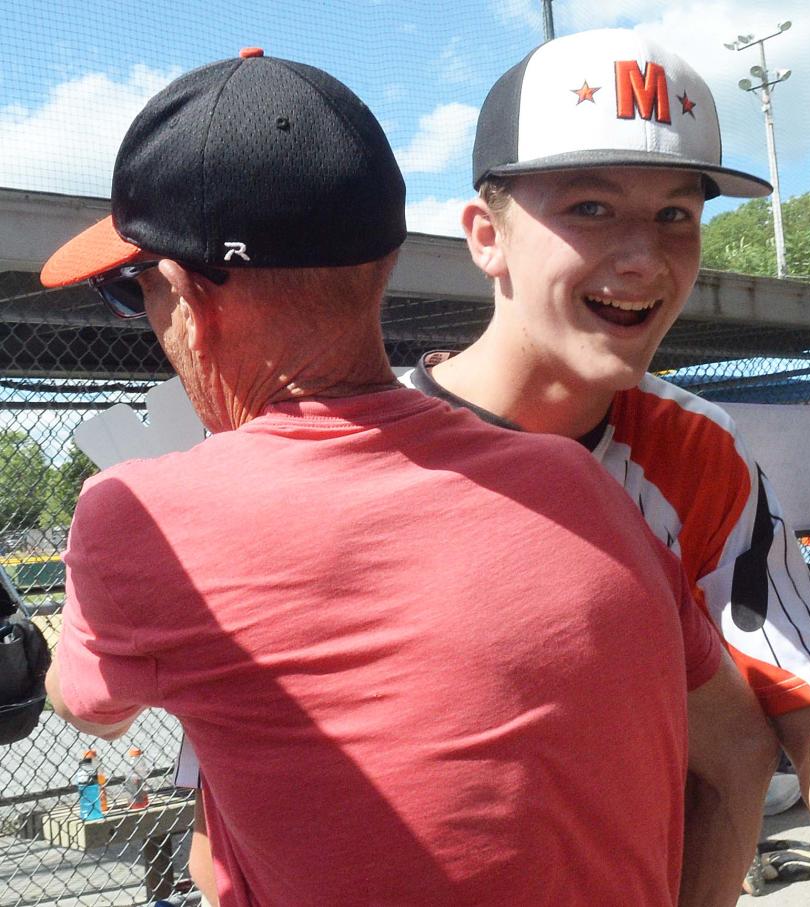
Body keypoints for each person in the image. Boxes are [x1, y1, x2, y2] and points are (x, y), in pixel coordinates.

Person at [38, 48, 749, 907]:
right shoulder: (579, 482)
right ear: (385, 261)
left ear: (187, 294)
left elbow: (89, 707)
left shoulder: (139, 514)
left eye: (133, 291)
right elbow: (735, 754)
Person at [400, 27, 810, 872]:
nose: (645, 257)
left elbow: (784, 687)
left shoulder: (697, 448)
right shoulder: (354, 448)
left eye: (676, 215)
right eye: (591, 207)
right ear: (485, 236)